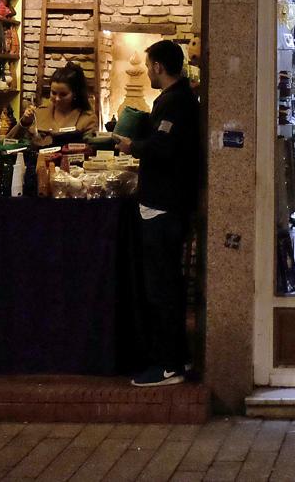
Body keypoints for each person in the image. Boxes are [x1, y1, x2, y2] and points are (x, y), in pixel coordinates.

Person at [113, 40, 201, 387]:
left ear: (159, 67)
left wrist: (130, 145)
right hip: (167, 204)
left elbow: (165, 149)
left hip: (163, 206)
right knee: (166, 285)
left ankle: (169, 365)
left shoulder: (175, 102)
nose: (148, 72)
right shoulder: (177, 100)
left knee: (162, 287)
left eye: (149, 66)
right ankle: (174, 357)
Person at [6, 62, 96, 146]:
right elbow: (9, 143)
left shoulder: (87, 118)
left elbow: (90, 150)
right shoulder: (39, 113)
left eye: (63, 95)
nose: (57, 98)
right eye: (53, 93)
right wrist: (24, 123)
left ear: (75, 94)